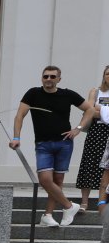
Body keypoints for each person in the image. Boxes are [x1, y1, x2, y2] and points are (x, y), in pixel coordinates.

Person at [10, 65, 91, 226]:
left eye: (52, 76)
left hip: (64, 143)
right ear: (42, 78)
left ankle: (48, 215)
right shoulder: (33, 93)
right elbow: (20, 115)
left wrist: (78, 128)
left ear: (59, 79)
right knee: (45, 179)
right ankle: (69, 206)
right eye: (45, 76)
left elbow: (89, 110)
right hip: (43, 144)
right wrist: (16, 137)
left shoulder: (67, 94)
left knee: (58, 180)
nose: (48, 79)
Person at [74, 65, 109, 211]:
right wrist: (102, 112)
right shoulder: (95, 91)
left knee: (106, 168)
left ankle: (103, 201)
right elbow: (89, 111)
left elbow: (95, 111)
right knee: (89, 164)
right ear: (103, 76)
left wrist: (99, 109)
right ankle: (84, 202)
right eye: (107, 74)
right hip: (96, 132)